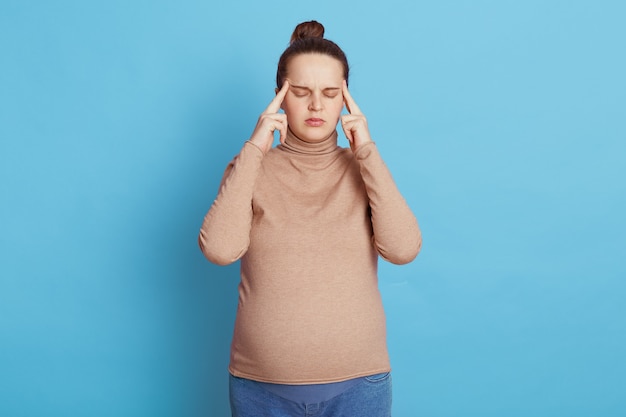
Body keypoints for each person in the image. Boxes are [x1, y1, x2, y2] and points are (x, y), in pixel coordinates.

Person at [199, 20, 421, 417]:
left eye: (330, 93)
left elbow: (403, 249)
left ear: (346, 100)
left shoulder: (363, 169)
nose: (316, 105)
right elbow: (219, 250)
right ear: (279, 99)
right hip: (260, 388)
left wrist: (366, 150)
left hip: (359, 387)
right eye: (300, 92)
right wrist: (255, 147)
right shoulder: (251, 168)